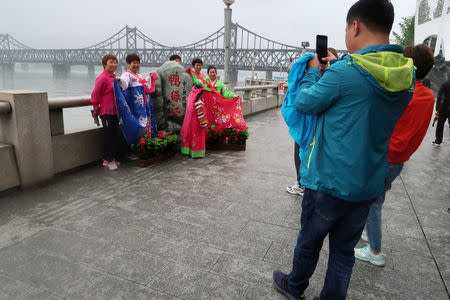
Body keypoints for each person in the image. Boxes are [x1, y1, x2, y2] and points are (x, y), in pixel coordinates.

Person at [272, 1, 415, 299]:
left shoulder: (346, 72)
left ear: (356, 26)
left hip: (327, 180)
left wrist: (313, 71)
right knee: (343, 253)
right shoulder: (407, 75)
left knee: (309, 241)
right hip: (367, 183)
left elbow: (304, 102)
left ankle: (295, 286)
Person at [355, 43, 435, 266]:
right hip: (399, 160)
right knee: (378, 197)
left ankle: (375, 251)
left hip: (384, 156)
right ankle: (368, 232)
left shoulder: (401, 93)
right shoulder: (428, 96)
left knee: (372, 202)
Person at [286, 48, 338, 196]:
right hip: (323, 129)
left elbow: (303, 101)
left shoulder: (326, 78)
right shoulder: (337, 76)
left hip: (315, 128)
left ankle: (303, 184)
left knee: (303, 150)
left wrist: (312, 71)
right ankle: (305, 182)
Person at [115, 53, 158, 146]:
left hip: (143, 108)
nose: (136, 65)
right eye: (134, 63)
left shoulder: (139, 75)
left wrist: (149, 77)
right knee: (138, 125)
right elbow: (124, 83)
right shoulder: (127, 75)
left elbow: (146, 86)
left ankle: (143, 146)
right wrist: (119, 80)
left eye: (138, 63)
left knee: (145, 125)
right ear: (128, 64)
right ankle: (136, 147)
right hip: (135, 108)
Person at [91, 54, 121, 171]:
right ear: (104, 65)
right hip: (106, 112)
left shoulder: (113, 77)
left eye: (115, 62)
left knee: (114, 136)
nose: (114, 64)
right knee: (108, 137)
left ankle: (112, 158)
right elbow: (95, 94)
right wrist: (95, 107)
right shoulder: (102, 78)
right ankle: (107, 160)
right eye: (111, 62)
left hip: (115, 111)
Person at [432, 77, 450, 146]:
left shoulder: (445, 84)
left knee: (440, 124)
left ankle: (438, 141)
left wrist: (437, 109)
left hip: (444, 107)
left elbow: (439, 96)